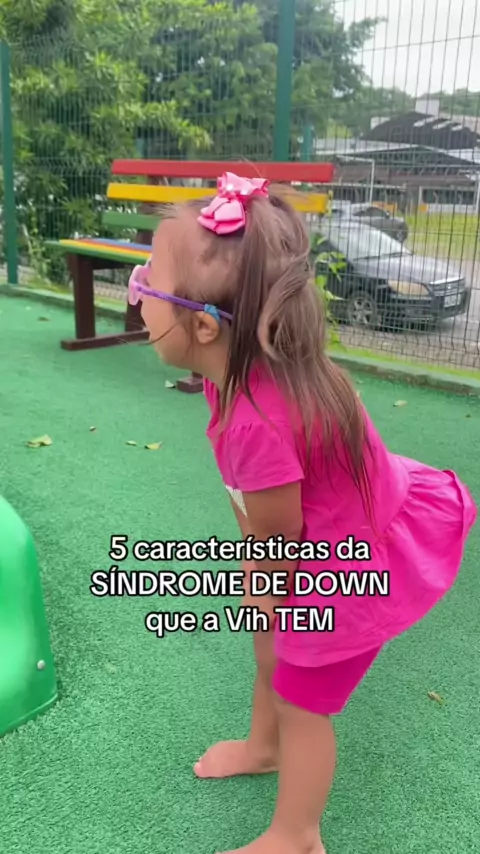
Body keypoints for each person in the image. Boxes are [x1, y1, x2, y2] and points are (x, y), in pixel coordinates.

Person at [128, 172, 477, 854]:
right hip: (317, 539)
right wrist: (257, 580)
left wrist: (266, 583)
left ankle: (297, 835)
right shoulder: (238, 378)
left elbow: (281, 531)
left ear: (203, 325)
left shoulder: (255, 419)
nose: (137, 294)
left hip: (347, 564)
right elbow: (253, 508)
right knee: (269, 642)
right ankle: (263, 749)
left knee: (303, 700)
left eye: (147, 283)